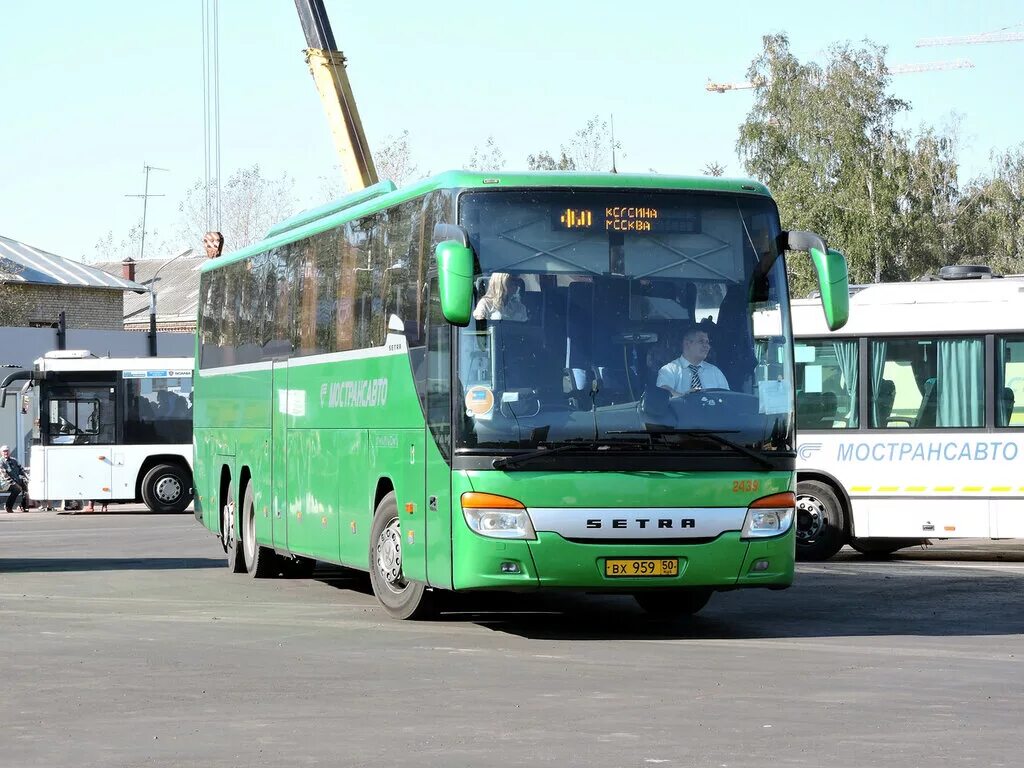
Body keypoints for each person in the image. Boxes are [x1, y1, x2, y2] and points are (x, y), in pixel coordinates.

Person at [657, 326, 730, 397]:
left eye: (707, 342)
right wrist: (687, 398)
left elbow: (727, 399)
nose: (706, 346)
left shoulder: (715, 372)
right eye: (701, 341)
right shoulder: (669, 370)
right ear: (687, 344)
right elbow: (663, 395)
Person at [1, 445, 29, 514]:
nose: (6, 453)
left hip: (15, 481)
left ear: (9, 452)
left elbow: (21, 470)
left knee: (25, 484)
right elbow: (5, 476)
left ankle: (22, 506)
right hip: (4, 483)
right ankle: (8, 506)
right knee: (17, 489)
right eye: (4, 451)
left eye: (7, 451)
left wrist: (28, 477)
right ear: (1, 452)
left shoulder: (14, 460)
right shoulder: (1, 462)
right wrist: (16, 484)